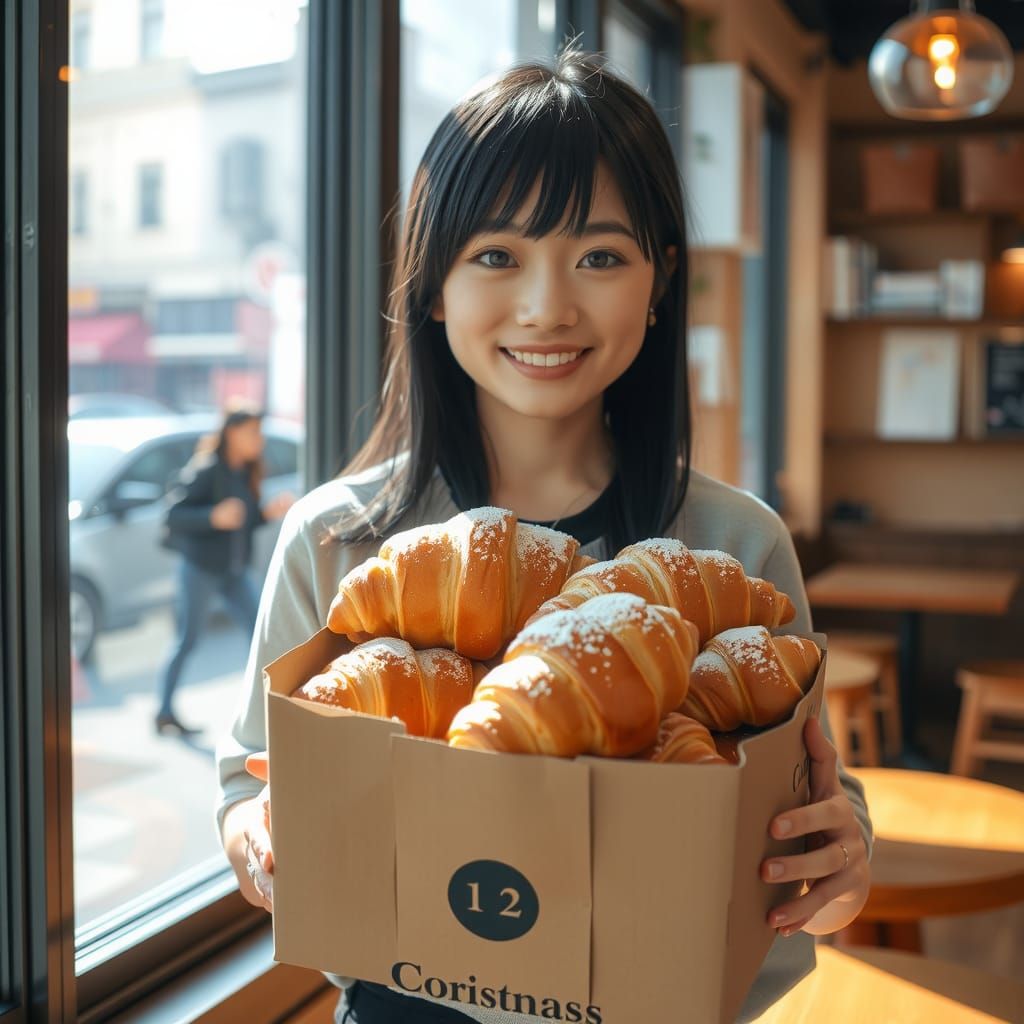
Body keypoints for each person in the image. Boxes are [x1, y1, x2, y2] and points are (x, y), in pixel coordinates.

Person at [216, 49, 873, 1023]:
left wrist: (843, 856)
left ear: (659, 285)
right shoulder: (339, 541)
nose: (545, 306)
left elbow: (811, 788)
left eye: (600, 255)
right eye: (495, 255)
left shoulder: (737, 544)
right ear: (433, 284)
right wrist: (255, 838)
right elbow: (248, 779)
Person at [157, 402, 294, 736]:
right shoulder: (207, 470)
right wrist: (211, 516)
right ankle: (163, 712)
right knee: (188, 640)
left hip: (235, 571)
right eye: (252, 432)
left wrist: (266, 514)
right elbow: (172, 515)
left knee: (262, 635)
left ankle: (265, 714)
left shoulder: (246, 472)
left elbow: (242, 522)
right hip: (201, 568)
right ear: (231, 433)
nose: (258, 440)